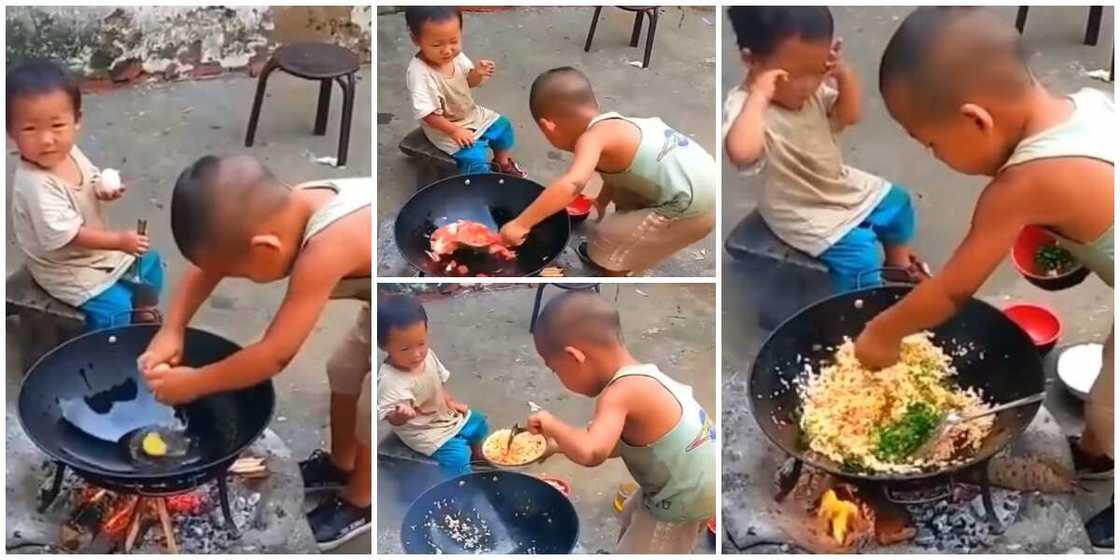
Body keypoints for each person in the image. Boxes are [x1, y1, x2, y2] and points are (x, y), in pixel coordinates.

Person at [856, 7, 1114, 547]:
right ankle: (1097, 455)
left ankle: (1104, 488)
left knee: (1110, 402)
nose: (935, 156)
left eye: (931, 143)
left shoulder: (1019, 186)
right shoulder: (1088, 104)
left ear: (976, 119)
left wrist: (882, 334)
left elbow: (952, 288)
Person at [136, 156, 372, 550]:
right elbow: (208, 265)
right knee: (343, 369)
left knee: (372, 405)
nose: (234, 278)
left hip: (398, 310)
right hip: (378, 299)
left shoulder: (324, 250)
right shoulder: (285, 204)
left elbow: (275, 355)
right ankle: (341, 462)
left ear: (264, 249)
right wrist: (172, 328)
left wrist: (193, 383)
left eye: (239, 273)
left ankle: (361, 500)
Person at [723, 7, 929, 292]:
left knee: (898, 202)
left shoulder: (813, 93)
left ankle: (898, 265)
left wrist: (842, 75)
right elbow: (742, 154)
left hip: (834, 184)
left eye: (818, 71)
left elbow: (850, 115)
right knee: (860, 253)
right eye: (793, 75)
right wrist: (759, 96)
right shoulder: (746, 108)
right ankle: (862, 308)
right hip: (796, 207)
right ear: (751, 60)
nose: (808, 84)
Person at [526, 291, 716, 553]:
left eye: (555, 369)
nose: (558, 377)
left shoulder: (621, 393)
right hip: (682, 480)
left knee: (652, 544)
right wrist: (557, 445)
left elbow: (593, 452)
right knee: (631, 513)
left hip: (684, 499)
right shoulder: (640, 377)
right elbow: (623, 444)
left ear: (575, 357)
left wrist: (552, 424)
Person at [500, 67, 716, 276]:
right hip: (702, 177)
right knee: (625, 202)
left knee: (607, 239)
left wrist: (520, 224)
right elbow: (617, 172)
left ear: (549, 126)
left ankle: (618, 270)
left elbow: (572, 184)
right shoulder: (615, 125)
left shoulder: (591, 139)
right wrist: (602, 200)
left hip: (690, 206)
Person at [7, 59, 163, 330]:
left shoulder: (68, 153)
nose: (47, 140)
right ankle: (101, 348)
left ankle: (143, 309)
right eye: (30, 129)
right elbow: (71, 236)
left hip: (97, 253)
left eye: (57, 126)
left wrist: (102, 189)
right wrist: (119, 240)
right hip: (66, 267)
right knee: (114, 308)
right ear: (11, 133)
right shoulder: (35, 185)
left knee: (151, 264)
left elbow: (89, 179)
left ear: (76, 121)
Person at [377, 294, 490, 479]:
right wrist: (400, 414)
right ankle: (464, 483)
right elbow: (392, 419)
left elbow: (438, 381)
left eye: (421, 343)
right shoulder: (391, 381)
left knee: (479, 422)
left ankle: (478, 456)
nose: (416, 354)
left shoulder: (427, 356)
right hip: (423, 431)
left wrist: (450, 401)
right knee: (458, 457)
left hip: (442, 414)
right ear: (384, 346)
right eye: (405, 349)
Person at [404, 6, 525, 176]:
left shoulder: (456, 57)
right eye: (437, 44)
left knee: (503, 127)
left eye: (453, 41)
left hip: (471, 114)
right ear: (416, 40)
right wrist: (454, 131)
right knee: (475, 158)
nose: (447, 50)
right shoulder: (419, 74)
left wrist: (477, 73)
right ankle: (477, 186)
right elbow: (427, 114)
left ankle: (502, 162)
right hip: (445, 128)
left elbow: (468, 82)